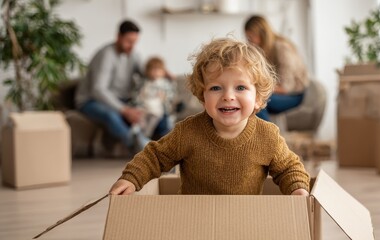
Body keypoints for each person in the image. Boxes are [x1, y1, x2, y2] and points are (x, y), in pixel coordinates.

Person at [109, 38, 310, 196]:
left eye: (240, 87)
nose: (228, 96)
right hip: (195, 222)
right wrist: (131, 178)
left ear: (257, 98)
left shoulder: (268, 136)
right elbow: (155, 157)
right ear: (203, 97)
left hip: (245, 223)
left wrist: (297, 188)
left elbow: (288, 168)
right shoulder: (187, 132)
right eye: (216, 88)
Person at [75, 20, 154, 153]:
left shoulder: (133, 54)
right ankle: (141, 148)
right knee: (112, 115)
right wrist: (124, 110)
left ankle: (168, 149)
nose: (132, 46)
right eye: (129, 41)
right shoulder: (106, 55)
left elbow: (145, 73)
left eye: (135, 42)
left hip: (120, 100)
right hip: (91, 101)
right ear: (118, 37)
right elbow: (98, 90)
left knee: (150, 111)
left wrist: (160, 71)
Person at [244, 15, 309, 122]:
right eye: (248, 38)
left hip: (294, 95)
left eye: (251, 37)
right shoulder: (265, 50)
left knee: (257, 100)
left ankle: (269, 136)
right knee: (252, 98)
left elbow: (286, 87)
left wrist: (259, 87)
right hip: (278, 93)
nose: (250, 42)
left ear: (261, 34)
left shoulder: (282, 47)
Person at [132, 56, 176, 140]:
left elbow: (171, 95)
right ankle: (139, 134)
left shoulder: (165, 83)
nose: (155, 72)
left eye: (158, 70)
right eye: (153, 69)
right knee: (140, 119)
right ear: (147, 71)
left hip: (157, 109)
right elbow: (137, 94)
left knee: (160, 120)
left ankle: (147, 135)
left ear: (163, 72)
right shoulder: (144, 82)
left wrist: (165, 96)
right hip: (144, 107)